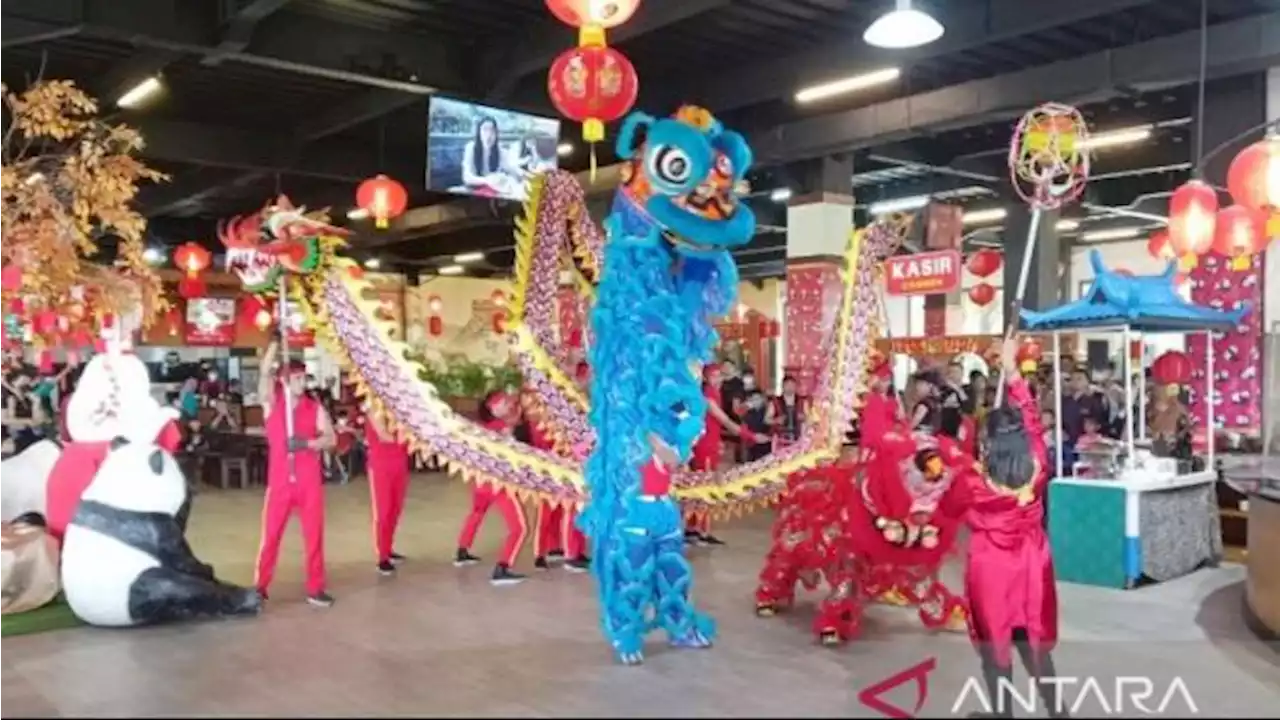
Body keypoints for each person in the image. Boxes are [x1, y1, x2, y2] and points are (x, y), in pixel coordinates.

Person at [937, 338, 1064, 718]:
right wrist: (1011, 372)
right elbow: (1031, 419)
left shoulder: (975, 485)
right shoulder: (1038, 467)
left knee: (997, 642)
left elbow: (948, 507)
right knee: (1031, 638)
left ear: (989, 446)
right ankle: (1058, 711)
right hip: (1032, 562)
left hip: (992, 566)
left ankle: (1003, 712)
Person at [253, 341, 337, 607]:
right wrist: (274, 344)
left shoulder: (315, 408)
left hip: (308, 482)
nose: (302, 382)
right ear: (285, 381)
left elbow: (331, 438)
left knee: (314, 536)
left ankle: (315, 587)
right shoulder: (273, 403)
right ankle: (260, 587)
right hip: (279, 483)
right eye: (296, 378)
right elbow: (265, 373)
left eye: (303, 377)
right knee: (271, 536)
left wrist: (307, 444)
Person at [455, 390, 528, 585]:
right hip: (499, 483)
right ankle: (503, 567)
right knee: (519, 528)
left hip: (481, 482)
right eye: (503, 403)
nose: (507, 405)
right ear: (493, 408)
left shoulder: (479, 427)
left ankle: (462, 549)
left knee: (477, 512)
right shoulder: (502, 427)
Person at [686, 364, 755, 546]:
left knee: (704, 485)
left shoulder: (714, 394)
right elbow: (724, 421)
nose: (719, 379)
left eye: (720, 376)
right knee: (704, 486)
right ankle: (698, 531)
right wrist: (750, 436)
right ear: (706, 378)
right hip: (704, 446)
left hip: (711, 444)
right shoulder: (708, 396)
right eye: (714, 376)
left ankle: (697, 530)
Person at [365, 407, 410, 576]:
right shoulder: (373, 409)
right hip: (381, 466)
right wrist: (408, 439)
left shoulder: (399, 411)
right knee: (383, 512)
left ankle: (388, 548)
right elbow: (383, 435)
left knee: (395, 510)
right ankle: (382, 557)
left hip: (399, 464)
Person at [2, 370, 45, 454]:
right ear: (13, 382)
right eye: (23, 379)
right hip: (19, 432)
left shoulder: (30, 397)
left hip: (33, 431)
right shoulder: (9, 398)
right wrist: (27, 421)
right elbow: (7, 420)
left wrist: (36, 404)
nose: (26, 381)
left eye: (27, 380)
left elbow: (40, 419)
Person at [461, 116, 508, 190]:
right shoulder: (470, 147)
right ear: (479, 132)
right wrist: (487, 181)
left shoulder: (500, 149)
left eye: (492, 130)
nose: (489, 134)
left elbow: (508, 168)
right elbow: (466, 177)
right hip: (474, 188)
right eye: (485, 129)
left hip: (494, 189)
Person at [739, 370, 772, 462]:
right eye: (753, 399)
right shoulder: (747, 414)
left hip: (768, 443)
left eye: (758, 398)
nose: (756, 401)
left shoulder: (768, 411)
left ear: (763, 399)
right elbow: (743, 431)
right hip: (752, 444)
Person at [939, 362, 968, 439]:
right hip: (943, 428)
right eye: (950, 372)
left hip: (961, 428)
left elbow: (967, 405)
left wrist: (956, 388)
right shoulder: (943, 390)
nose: (953, 375)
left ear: (962, 374)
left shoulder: (968, 389)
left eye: (956, 372)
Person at [909, 370, 942, 434]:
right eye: (917, 384)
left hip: (922, 436)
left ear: (930, 385)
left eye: (920, 384)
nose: (916, 387)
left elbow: (914, 423)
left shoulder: (924, 403)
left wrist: (904, 431)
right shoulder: (936, 401)